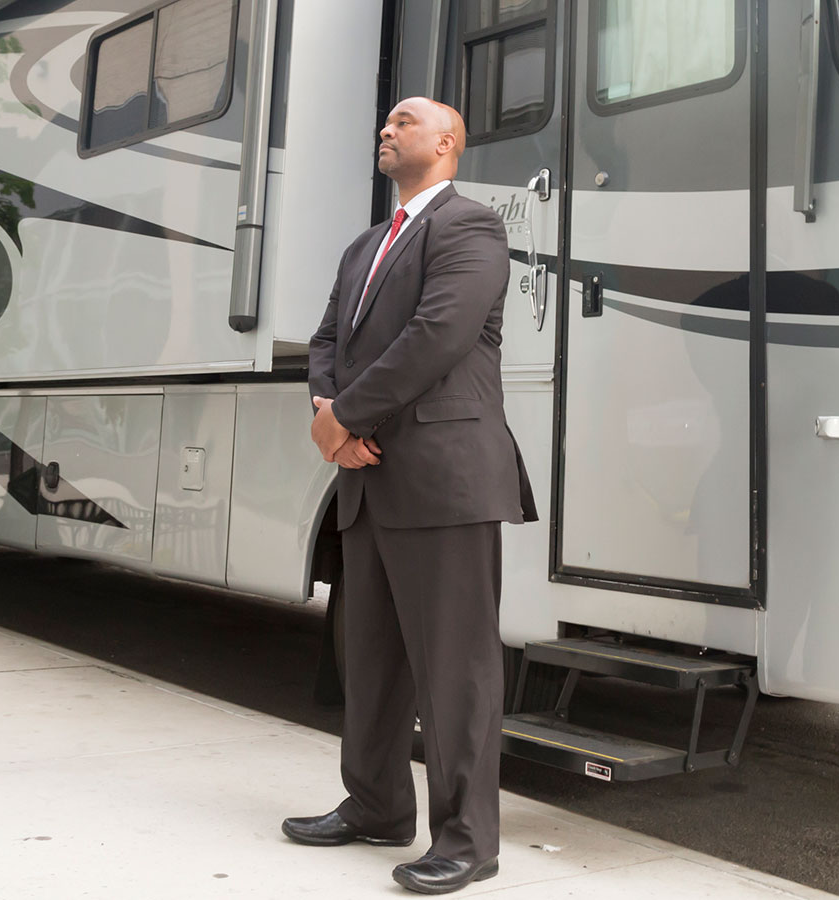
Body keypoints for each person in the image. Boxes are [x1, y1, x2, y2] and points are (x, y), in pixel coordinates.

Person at [282, 96, 537, 895]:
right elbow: (327, 340)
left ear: (448, 139)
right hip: (366, 475)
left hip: (443, 476)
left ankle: (465, 840)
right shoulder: (365, 245)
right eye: (382, 123)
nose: (385, 130)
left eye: (402, 121)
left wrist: (345, 418)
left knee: (454, 670)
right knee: (374, 660)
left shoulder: (472, 228)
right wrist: (330, 416)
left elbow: (437, 334)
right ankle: (376, 803)